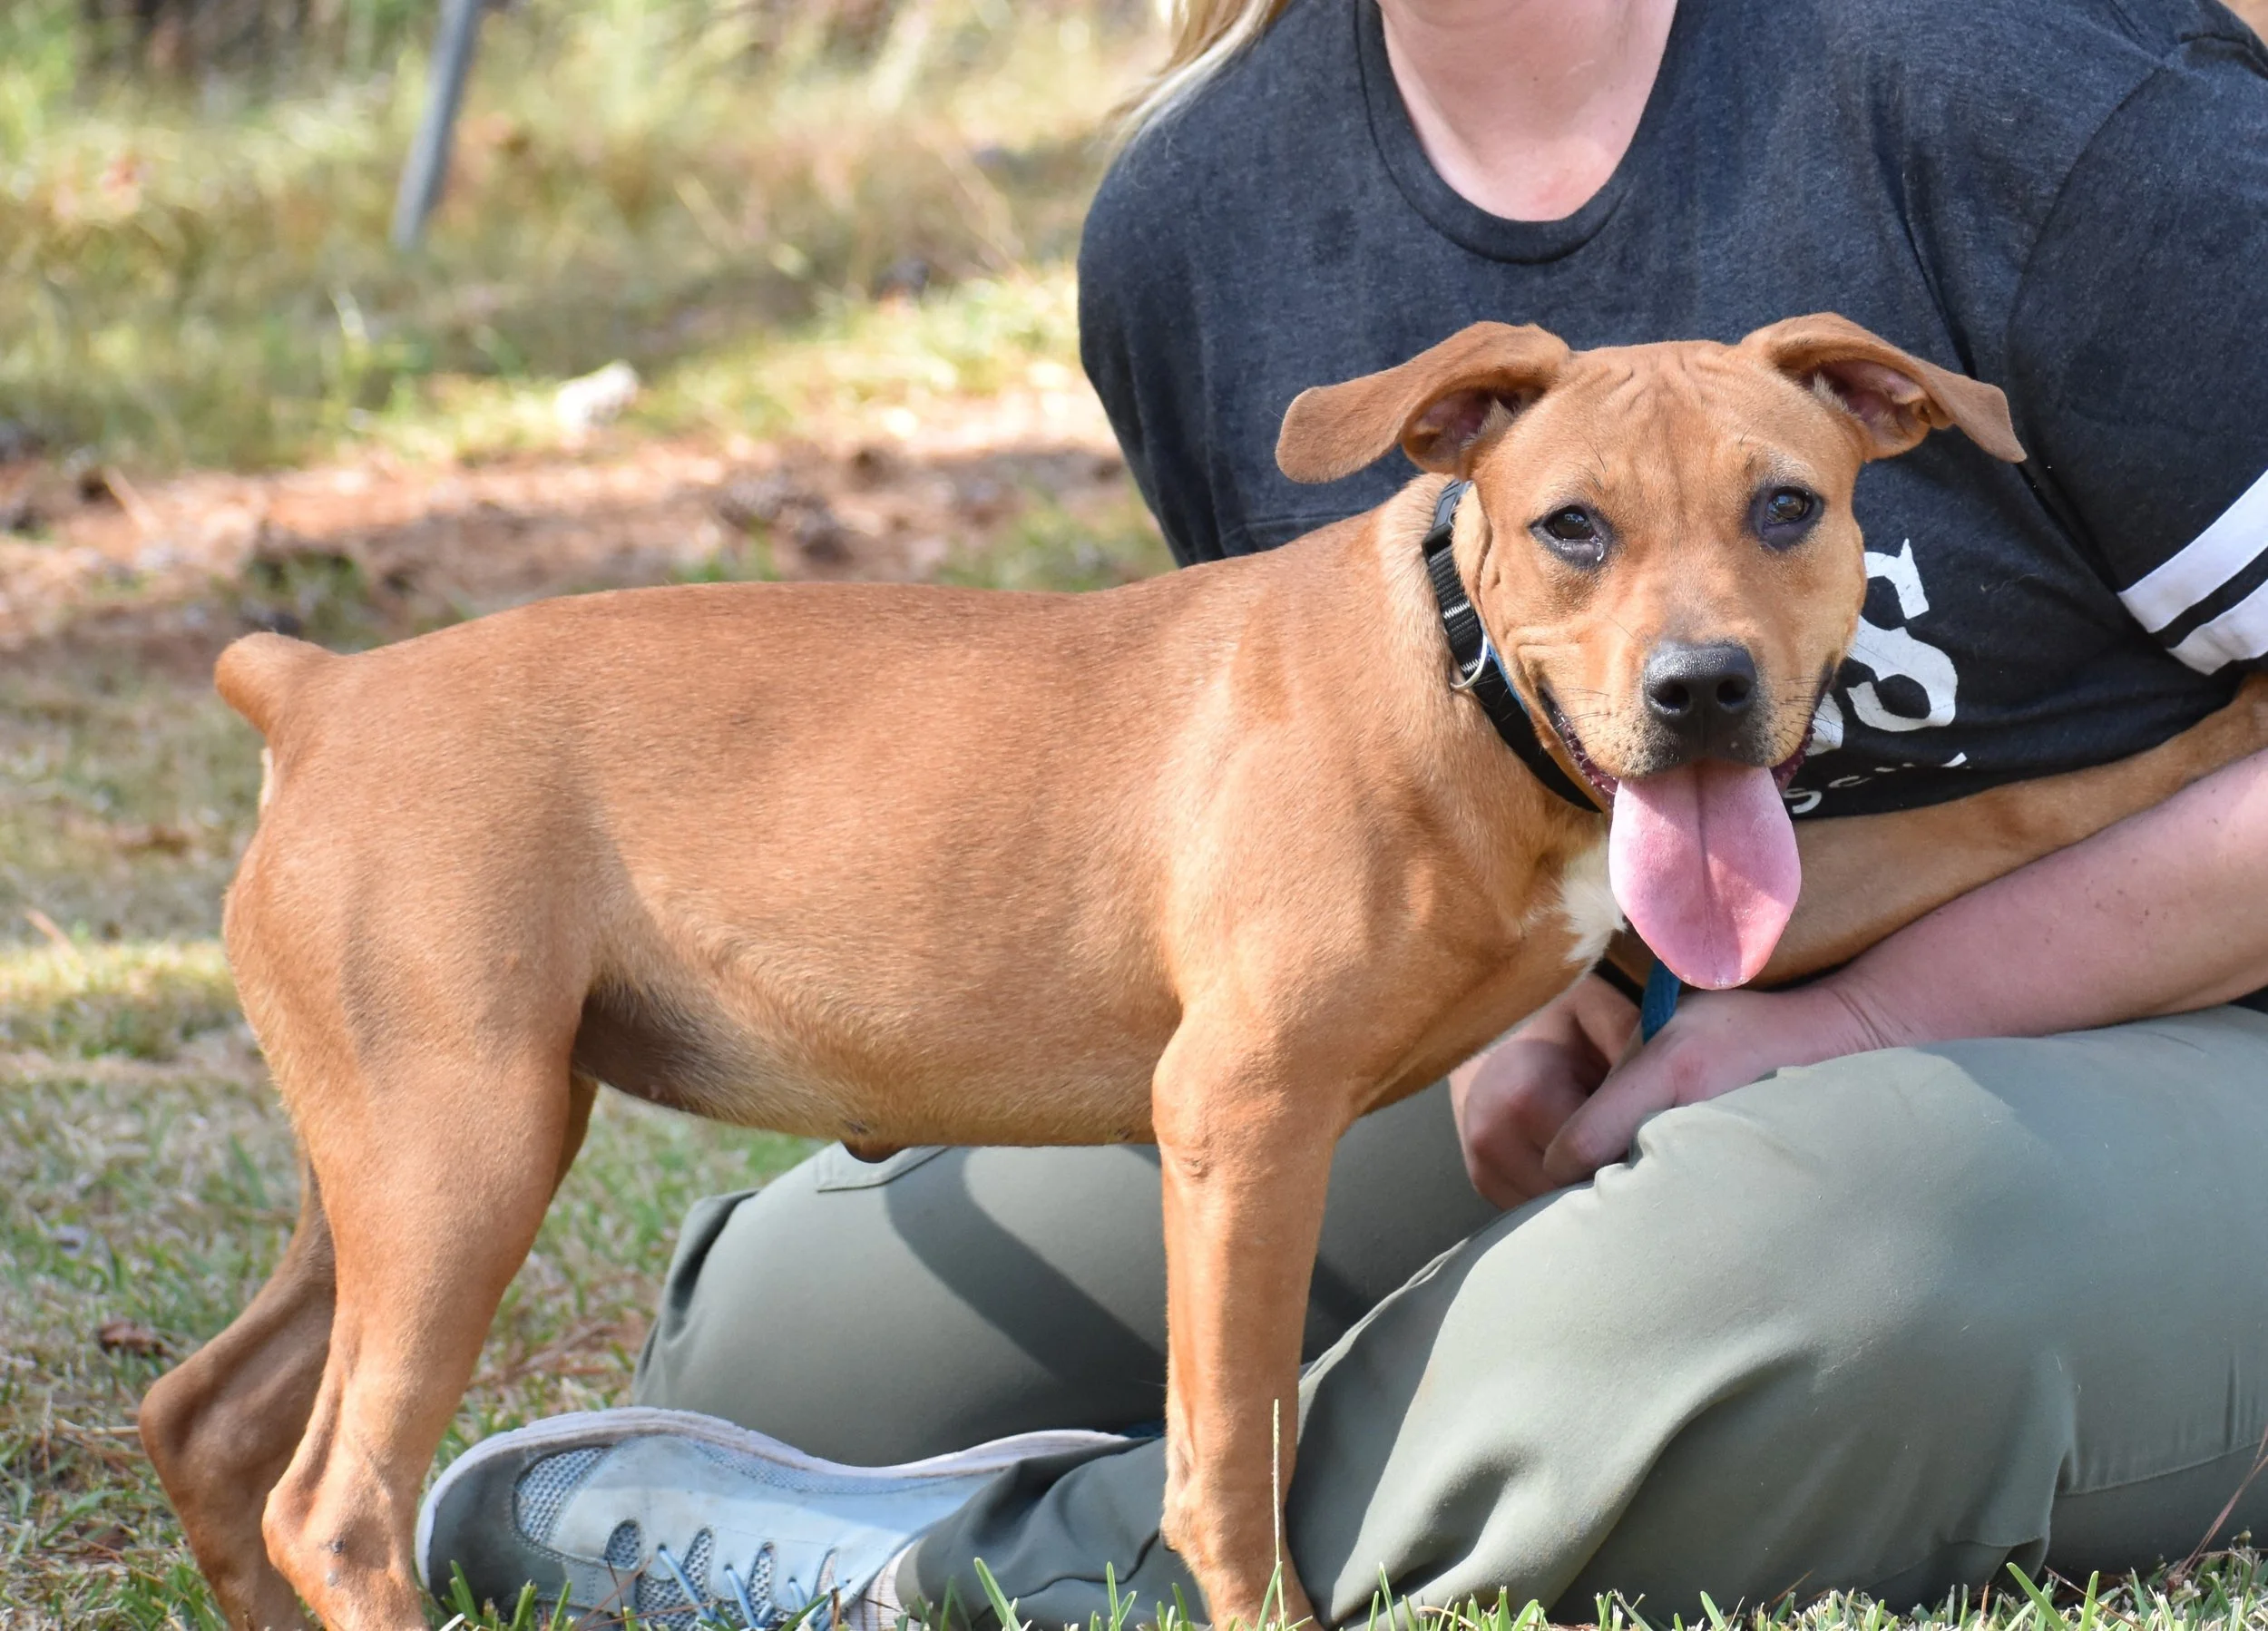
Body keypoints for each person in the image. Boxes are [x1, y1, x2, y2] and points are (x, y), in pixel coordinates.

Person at [416, 0, 2268, 1624]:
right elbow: (1322, 799)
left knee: (1784, 1278)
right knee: (803, 1340)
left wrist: (1860, 1021)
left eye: (1781, 519)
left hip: (2189, 1015)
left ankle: (1056, 1571)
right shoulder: (1210, 211)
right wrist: (1506, 993)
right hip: (1664, 990)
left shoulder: (2035, 93)